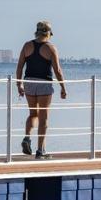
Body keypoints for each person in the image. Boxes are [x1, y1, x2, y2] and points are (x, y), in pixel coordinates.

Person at [16, 20, 67, 159]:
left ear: (37, 32)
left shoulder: (27, 45)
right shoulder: (50, 48)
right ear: (49, 33)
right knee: (43, 118)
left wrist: (19, 84)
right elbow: (57, 70)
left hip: (29, 82)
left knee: (33, 113)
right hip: (44, 83)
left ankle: (27, 137)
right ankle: (40, 151)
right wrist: (63, 87)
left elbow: (20, 66)